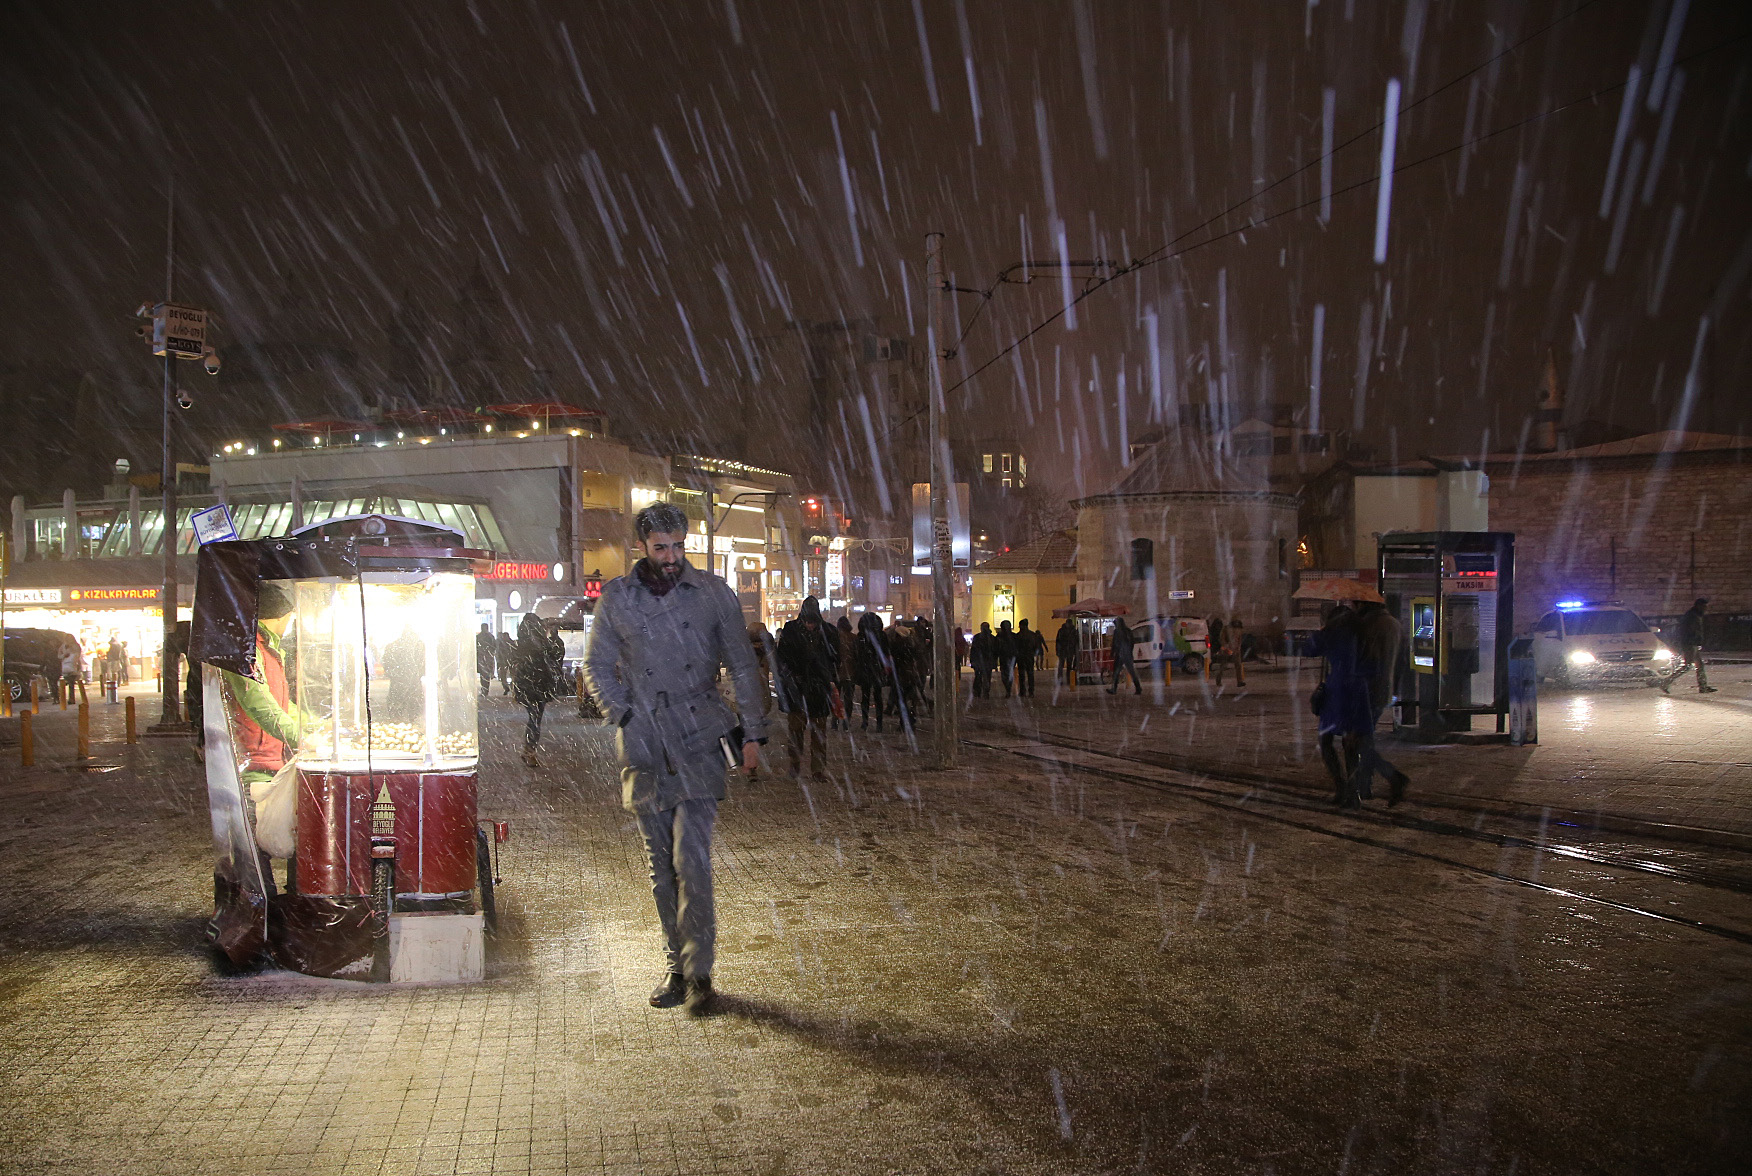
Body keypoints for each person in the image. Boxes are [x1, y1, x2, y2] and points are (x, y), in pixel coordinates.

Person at [583, 502, 767, 1016]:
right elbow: (596, 663)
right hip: (645, 743)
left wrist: (753, 732)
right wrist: (622, 713)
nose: (670, 557)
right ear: (641, 546)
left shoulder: (712, 594)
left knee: (693, 859)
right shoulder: (618, 597)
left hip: (699, 734)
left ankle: (700, 972)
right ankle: (676, 967)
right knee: (661, 867)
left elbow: (742, 666)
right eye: (661, 547)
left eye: (678, 547)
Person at [218, 583, 307, 786]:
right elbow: (258, 703)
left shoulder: (267, 648)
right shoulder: (247, 650)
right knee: (260, 816)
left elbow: (280, 704)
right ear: (280, 615)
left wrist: (312, 726)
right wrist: (301, 739)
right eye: (291, 618)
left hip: (271, 761)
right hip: (253, 764)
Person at [1307, 604, 1375, 808]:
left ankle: (1341, 787)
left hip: (1337, 690)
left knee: (1326, 740)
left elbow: (1309, 648)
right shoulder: (1362, 633)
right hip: (1358, 689)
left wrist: (1320, 631)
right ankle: (1354, 792)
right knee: (1351, 743)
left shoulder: (1331, 634)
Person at [1353, 600, 1410, 805]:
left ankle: (1393, 776)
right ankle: (1365, 785)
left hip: (1368, 690)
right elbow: (1402, 661)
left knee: (1359, 740)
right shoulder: (1394, 624)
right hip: (1384, 689)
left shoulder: (1372, 627)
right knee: (1364, 738)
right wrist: (1394, 688)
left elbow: (1367, 659)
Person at [776, 596, 838, 777]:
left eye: (813, 622)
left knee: (819, 731)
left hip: (819, 689)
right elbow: (782, 659)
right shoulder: (791, 630)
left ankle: (818, 769)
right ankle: (795, 765)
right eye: (807, 621)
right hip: (798, 688)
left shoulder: (827, 632)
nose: (810, 625)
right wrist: (792, 678)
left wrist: (828, 678)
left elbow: (835, 659)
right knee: (796, 730)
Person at [513, 613, 559, 767]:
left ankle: (529, 750)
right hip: (537, 685)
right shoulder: (538, 642)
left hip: (528, 685)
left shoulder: (522, 642)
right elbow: (552, 653)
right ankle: (529, 751)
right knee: (535, 718)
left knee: (534, 717)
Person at [1661, 597, 1717, 694]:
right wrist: (1694, 641)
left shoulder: (1695, 615)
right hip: (1690, 644)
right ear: (1698, 606)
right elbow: (1690, 631)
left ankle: (1703, 687)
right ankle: (1665, 682)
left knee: (1699, 665)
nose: (1706, 609)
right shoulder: (1692, 616)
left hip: (1692, 643)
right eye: (1704, 607)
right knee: (1687, 666)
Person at [852, 612, 892, 731]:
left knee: (866, 697)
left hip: (865, 669)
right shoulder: (881, 636)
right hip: (877, 669)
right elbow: (887, 652)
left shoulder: (861, 636)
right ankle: (879, 723)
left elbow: (857, 654)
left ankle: (865, 722)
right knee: (877, 696)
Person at [382, 625, 427, 722]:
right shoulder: (418, 646)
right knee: (411, 705)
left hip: (401, 681)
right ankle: (409, 721)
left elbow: (386, 664)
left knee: (399, 705)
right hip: (406, 681)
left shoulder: (393, 646)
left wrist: (395, 675)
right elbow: (423, 662)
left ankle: (400, 721)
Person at [831, 615, 856, 732]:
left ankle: (835, 721)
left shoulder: (835, 638)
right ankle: (846, 722)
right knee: (848, 699)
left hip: (837, 672)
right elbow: (857, 657)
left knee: (836, 698)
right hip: (850, 673)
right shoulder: (853, 638)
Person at [1108, 618, 1141, 695]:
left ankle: (1114, 689)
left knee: (1116, 672)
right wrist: (1129, 652)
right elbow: (1132, 642)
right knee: (1132, 672)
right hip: (1127, 655)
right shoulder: (1128, 631)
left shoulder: (1117, 632)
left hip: (1120, 655)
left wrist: (1113, 653)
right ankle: (1138, 687)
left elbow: (1115, 644)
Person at [1213, 617, 1246, 687]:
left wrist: (1238, 648)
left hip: (1235, 650)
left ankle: (1239, 681)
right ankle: (1218, 680)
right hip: (1226, 650)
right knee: (1223, 666)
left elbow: (1239, 639)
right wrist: (1226, 647)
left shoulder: (1238, 630)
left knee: (1238, 665)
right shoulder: (1226, 629)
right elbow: (1222, 639)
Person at [1015, 619, 1041, 698]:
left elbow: (1016, 647)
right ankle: (1031, 691)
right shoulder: (1033, 635)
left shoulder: (1018, 636)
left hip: (1021, 657)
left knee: (1022, 675)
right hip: (1029, 657)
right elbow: (1037, 646)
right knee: (1030, 674)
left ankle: (1023, 691)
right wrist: (1034, 654)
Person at [969, 622, 996, 699]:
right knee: (987, 677)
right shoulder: (992, 638)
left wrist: (973, 660)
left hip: (979, 661)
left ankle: (978, 691)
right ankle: (986, 692)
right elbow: (995, 651)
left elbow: (973, 650)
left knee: (978, 676)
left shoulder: (977, 637)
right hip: (987, 661)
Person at [58, 640, 87, 706]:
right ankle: (69, 698)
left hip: (71, 669)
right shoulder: (64, 646)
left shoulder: (72, 648)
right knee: (69, 684)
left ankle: (70, 699)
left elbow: (77, 659)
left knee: (70, 684)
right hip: (68, 669)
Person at [994, 620, 1018, 698]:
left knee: (1005, 674)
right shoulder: (1014, 636)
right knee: (1009, 673)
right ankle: (1008, 688)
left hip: (1004, 657)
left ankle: (1008, 689)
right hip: (1010, 657)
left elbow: (996, 647)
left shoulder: (1000, 636)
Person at [1055, 617, 1080, 687]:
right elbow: (1058, 641)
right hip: (1065, 650)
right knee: (1062, 666)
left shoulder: (1073, 631)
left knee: (1068, 666)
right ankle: (1061, 680)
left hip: (1069, 650)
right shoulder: (1063, 631)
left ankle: (1068, 680)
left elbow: (1076, 641)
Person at [476, 623, 496, 697]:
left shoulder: (479, 637)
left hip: (483, 657)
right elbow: (494, 646)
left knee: (484, 674)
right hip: (487, 657)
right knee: (485, 674)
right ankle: (485, 689)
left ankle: (485, 689)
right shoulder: (490, 636)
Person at [496, 628, 517, 696]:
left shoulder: (510, 643)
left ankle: (510, 687)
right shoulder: (509, 643)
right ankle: (508, 687)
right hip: (506, 661)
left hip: (508, 661)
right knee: (506, 676)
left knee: (510, 675)